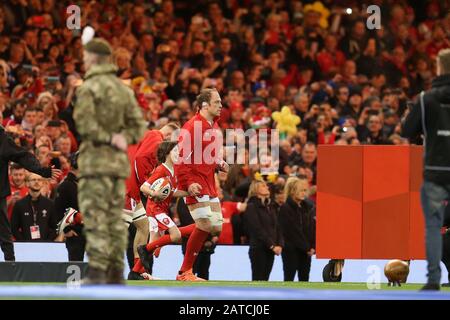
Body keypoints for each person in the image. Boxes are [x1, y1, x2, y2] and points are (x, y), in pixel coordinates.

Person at [73, 38, 147, 285]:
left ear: (93, 59)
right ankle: (116, 273)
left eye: (85, 57)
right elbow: (139, 127)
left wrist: (106, 137)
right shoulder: (124, 90)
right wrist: (120, 138)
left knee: (95, 217)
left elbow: (83, 124)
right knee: (116, 219)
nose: (84, 61)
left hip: (95, 164)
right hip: (118, 167)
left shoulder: (88, 88)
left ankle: (97, 272)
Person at [401, 49, 450, 291]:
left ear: (439, 69)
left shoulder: (426, 98)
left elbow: (406, 131)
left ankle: (433, 280)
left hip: (435, 170)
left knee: (433, 225)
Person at [174, 87, 228, 281]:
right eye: (217, 102)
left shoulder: (211, 126)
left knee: (215, 227)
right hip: (195, 183)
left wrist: (219, 163)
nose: (221, 105)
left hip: (209, 183)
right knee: (204, 225)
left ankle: (164, 237)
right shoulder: (193, 127)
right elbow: (181, 158)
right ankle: (185, 271)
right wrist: (188, 184)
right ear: (205, 105)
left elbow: (207, 155)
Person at [125, 122, 179, 279]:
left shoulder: (147, 136)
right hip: (127, 188)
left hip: (131, 188)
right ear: (168, 137)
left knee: (143, 226)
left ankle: (137, 270)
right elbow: (140, 158)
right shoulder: (155, 137)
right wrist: (146, 184)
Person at [135, 141, 194, 279]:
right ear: (166, 154)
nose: (178, 153)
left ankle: (136, 272)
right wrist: (154, 194)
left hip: (161, 209)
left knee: (153, 248)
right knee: (176, 235)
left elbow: (171, 193)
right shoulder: (161, 169)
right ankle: (143, 251)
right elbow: (144, 187)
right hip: (155, 209)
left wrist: (189, 193)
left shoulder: (173, 171)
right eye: (175, 151)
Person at [0, 125, 61, 261]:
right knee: (4, 232)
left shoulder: (1, 139)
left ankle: (11, 266)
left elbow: (22, 156)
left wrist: (42, 171)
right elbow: (22, 156)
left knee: (4, 233)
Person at [244, 180, 284, 281]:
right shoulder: (251, 206)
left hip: (270, 249)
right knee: (258, 279)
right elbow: (257, 229)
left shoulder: (271, 206)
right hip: (258, 248)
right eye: (263, 186)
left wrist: (279, 244)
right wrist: (272, 245)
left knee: (266, 280)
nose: (267, 187)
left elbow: (277, 226)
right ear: (256, 189)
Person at [279, 177, 316, 281]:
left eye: (305, 190)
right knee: (289, 279)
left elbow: (311, 228)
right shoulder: (285, 209)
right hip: (291, 250)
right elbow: (292, 231)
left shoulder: (308, 208)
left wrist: (313, 246)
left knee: (304, 279)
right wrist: (307, 248)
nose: (304, 193)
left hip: (306, 251)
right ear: (292, 191)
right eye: (301, 190)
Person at [54, 152, 86, 261]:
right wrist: (66, 230)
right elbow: (58, 211)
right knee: (75, 265)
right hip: (75, 233)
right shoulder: (65, 186)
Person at [11, 172, 58, 241]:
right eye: (33, 180)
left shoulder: (50, 204)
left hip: (45, 247)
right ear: (27, 183)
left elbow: (55, 227)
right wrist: (23, 242)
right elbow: (14, 228)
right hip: (25, 246)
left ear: (42, 183)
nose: (37, 182)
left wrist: (47, 242)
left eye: (39, 180)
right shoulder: (19, 204)